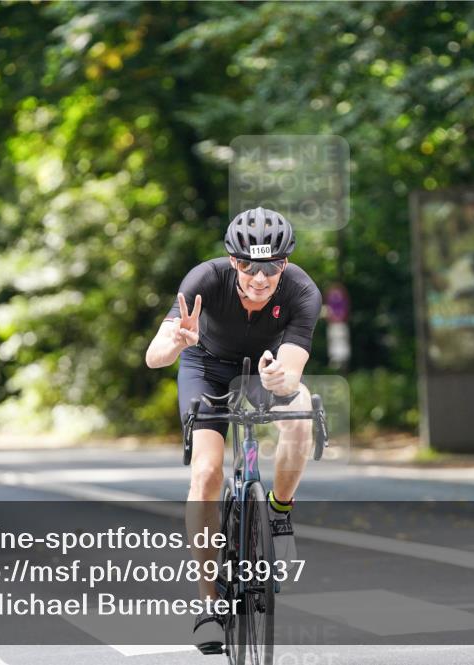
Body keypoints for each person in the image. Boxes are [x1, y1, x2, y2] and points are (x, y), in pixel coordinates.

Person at [145, 207, 323, 652]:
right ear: (232, 260)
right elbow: (154, 356)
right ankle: (209, 603)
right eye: (247, 265)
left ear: (285, 263)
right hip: (205, 367)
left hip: (266, 370)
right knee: (206, 474)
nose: (259, 278)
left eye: (271, 266)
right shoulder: (203, 280)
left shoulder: (302, 291)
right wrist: (175, 342)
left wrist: (281, 378)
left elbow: (293, 369)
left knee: (301, 414)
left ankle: (279, 513)